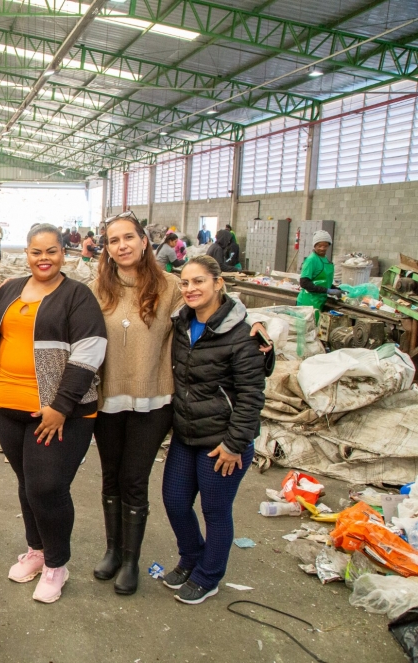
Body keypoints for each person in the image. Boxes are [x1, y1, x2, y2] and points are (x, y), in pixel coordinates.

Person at [0, 224, 107, 603]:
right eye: (37, 252)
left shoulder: (77, 295)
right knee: (27, 485)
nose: (44, 259)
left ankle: (57, 564)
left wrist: (60, 406)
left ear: (64, 253)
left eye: (52, 251)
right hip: (8, 405)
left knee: (47, 487)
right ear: (26, 253)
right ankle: (36, 551)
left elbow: (89, 351)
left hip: (60, 412)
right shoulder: (9, 290)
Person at [162, 255, 273, 604]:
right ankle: (192, 557)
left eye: (199, 282)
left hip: (223, 443)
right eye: (185, 283)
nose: (191, 289)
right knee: (175, 501)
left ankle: (209, 576)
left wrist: (234, 444)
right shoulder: (181, 323)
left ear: (218, 283)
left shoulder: (242, 334)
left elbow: (252, 396)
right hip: (186, 435)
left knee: (215, 511)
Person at [87, 212, 182, 596]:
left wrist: (254, 326)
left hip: (152, 399)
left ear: (145, 241)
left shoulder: (171, 287)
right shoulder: (97, 288)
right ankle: (112, 550)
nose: (122, 245)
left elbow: (213, 306)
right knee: (110, 476)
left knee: (134, 478)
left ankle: (131, 560)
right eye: (114, 240)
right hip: (107, 398)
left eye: (129, 237)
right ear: (106, 249)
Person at [296, 231, 336, 320]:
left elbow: (323, 281)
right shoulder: (311, 260)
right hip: (307, 302)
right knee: (307, 330)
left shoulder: (325, 259)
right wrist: (327, 290)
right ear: (314, 245)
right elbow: (304, 283)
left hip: (318, 301)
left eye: (325, 246)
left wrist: (335, 289)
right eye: (319, 246)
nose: (322, 248)